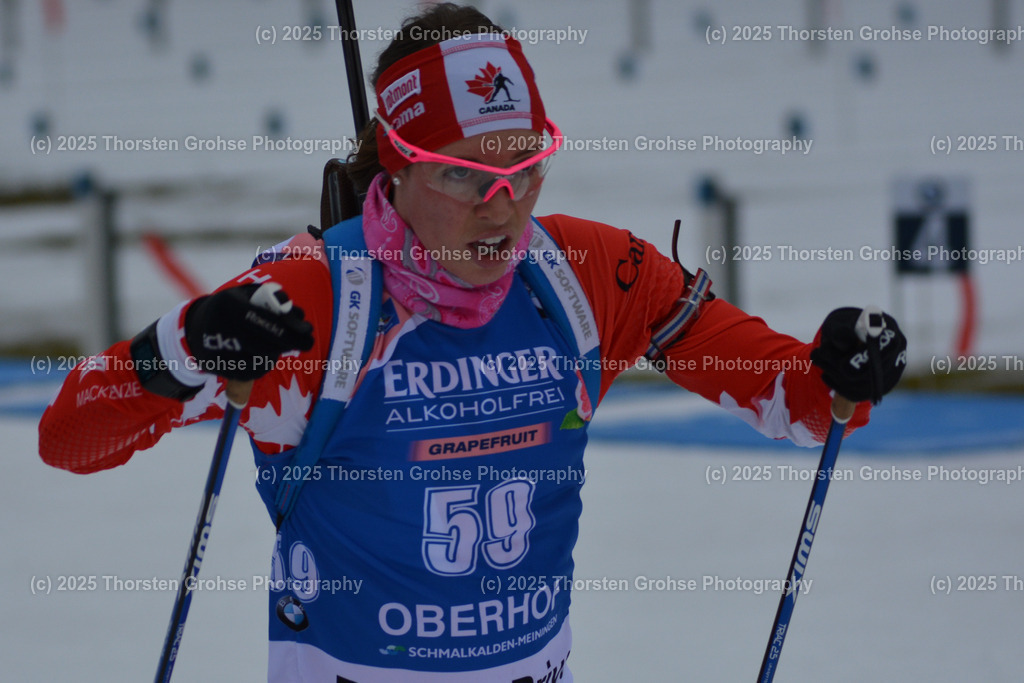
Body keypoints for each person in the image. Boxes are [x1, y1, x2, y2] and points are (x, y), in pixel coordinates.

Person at [38, 3, 906, 680]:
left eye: (525, 164)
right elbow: (70, 437)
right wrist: (187, 341)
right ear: (398, 159)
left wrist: (839, 366)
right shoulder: (314, 298)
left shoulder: (583, 274)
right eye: (465, 173)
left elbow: (797, 402)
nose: (504, 204)